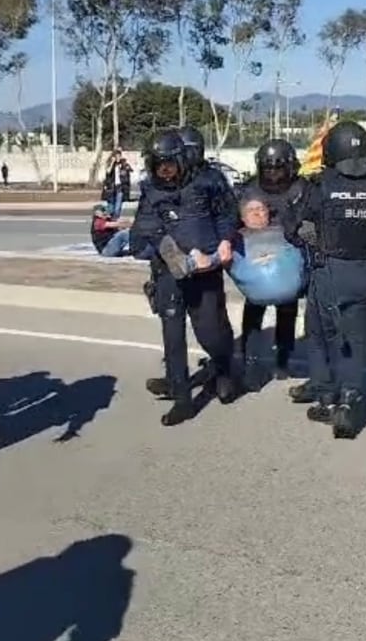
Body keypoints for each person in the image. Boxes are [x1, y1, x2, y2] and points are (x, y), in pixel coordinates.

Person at [283, 121, 366, 439]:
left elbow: (293, 227)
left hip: (328, 271)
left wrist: (306, 234)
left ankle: (325, 397)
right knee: (355, 340)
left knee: (320, 336)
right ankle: (349, 399)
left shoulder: (319, 185)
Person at [130, 130, 240, 426]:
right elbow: (145, 229)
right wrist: (172, 253)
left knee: (211, 333)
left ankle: (223, 368)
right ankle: (182, 397)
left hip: (206, 272)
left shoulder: (208, 181)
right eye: (158, 165)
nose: (164, 172)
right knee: (172, 335)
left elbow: (228, 214)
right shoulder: (151, 190)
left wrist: (226, 241)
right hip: (169, 273)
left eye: (169, 165)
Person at [236, 139, 307, 389]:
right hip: (257, 257)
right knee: (254, 309)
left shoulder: (302, 188)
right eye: (268, 169)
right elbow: (235, 221)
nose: (273, 175)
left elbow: (311, 219)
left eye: (278, 169)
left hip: (288, 258)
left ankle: (283, 359)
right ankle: (250, 360)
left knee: (287, 309)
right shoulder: (250, 189)